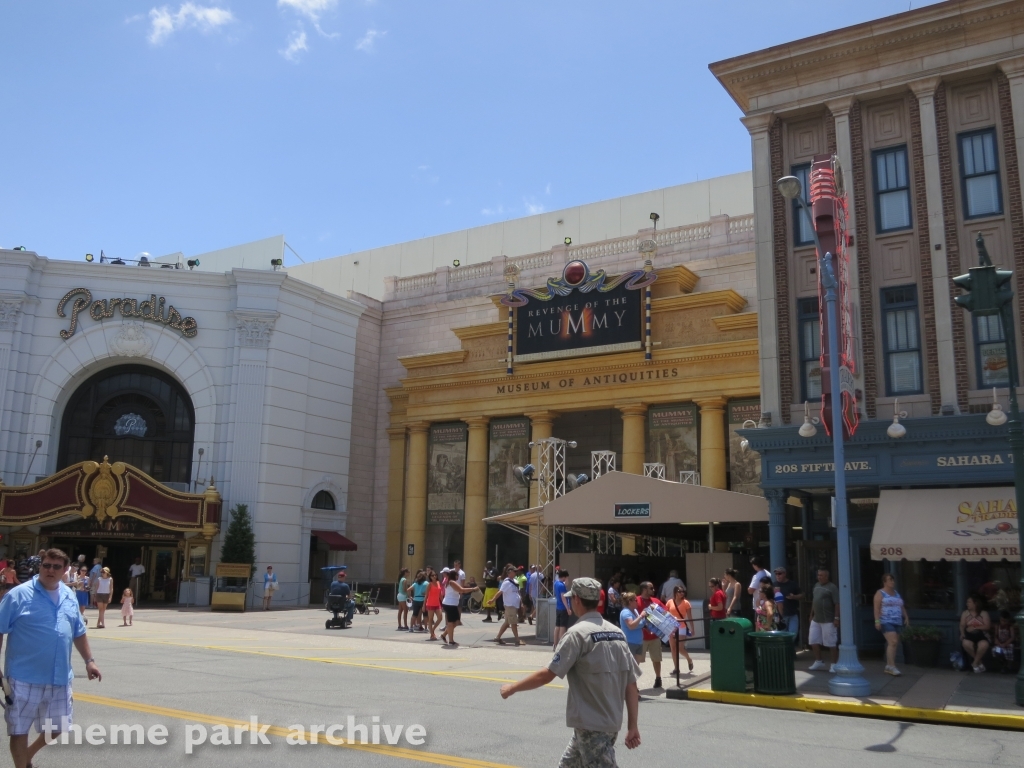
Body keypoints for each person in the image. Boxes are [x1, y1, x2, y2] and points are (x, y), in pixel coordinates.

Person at [500, 577, 641, 767]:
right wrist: (633, 725)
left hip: (591, 725)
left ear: (576, 600)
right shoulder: (617, 633)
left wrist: (513, 688)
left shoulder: (577, 634)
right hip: (608, 723)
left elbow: (547, 674)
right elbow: (631, 685)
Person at [0, 548, 102, 768]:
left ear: (65, 570)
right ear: (40, 567)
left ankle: (26, 756)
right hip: (23, 676)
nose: (50, 570)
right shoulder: (18, 595)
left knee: (59, 726)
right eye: (46, 565)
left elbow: (78, 631)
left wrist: (89, 661)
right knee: (19, 729)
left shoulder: (69, 595)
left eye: (56, 567)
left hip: (59, 676)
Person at [872, 573, 908, 676]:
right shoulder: (880, 593)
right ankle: (892, 666)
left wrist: (906, 616)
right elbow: (876, 608)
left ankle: (889, 665)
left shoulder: (896, 593)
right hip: (886, 620)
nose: (892, 582)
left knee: (894, 644)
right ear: (885, 582)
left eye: (893, 580)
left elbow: (901, 605)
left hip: (897, 620)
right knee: (893, 641)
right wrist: (877, 621)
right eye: (890, 580)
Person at [808, 568, 840, 672]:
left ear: (827, 576)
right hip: (816, 619)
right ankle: (818, 661)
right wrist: (811, 614)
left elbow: (837, 604)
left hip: (828, 619)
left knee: (831, 643)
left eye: (821, 575)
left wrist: (836, 618)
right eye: (818, 575)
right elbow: (814, 600)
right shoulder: (816, 585)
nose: (819, 577)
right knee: (813, 640)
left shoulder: (832, 587)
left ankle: (834, 664)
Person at [635, 581, 665, 689]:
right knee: (637, 660)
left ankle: (658, 678)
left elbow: (665, 614)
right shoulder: (636, 601)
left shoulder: (656, 601)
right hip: (640, 637)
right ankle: (634, 683)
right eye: (651, 588)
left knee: (656, 659)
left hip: (655, 636)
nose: (653, 590)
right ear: (644, 589)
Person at [440, 568, 476, 646]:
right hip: (450, 604)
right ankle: (451, 641)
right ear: (454, 575)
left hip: (452, 604)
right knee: (451, 623)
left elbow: (460, 589)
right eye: (457, 575)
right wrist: (473, 589)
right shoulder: (451, 582)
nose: (458, 576)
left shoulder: (451, 582)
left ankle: (443, 635)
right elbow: (461, 590)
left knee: (456, 622)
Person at [666, 585, 694, 679]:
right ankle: (676, 668)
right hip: (671, 627)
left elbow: (690, 617)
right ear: (675, 592)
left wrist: (692, 628)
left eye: (683, 591)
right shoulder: (670, 602)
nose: (682, 593)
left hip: (681, 626)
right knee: (673, 648)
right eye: (680, 591)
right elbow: (665, 613)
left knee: (680, 648)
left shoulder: (686, 603)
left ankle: (689, 659)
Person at [960, 594, 991, 673]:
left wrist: (975, 627)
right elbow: (962, 625)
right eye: (967, 602)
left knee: (983, 645)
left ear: (975, 603)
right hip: (969, 635)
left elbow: (987, 626)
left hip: (981, 635)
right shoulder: (965, 613)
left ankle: (974, 663)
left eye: (969, 602)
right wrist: (962, 633)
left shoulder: (983, 613)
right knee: (966, 644)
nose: (967, 604)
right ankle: (979, 662)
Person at [493, 565, 524, 646]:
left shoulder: (515, 581)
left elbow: (518, 593)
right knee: (513, 622)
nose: (516, 572)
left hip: (514, 605)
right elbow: (500, 592)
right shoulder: (506, 582)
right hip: (509, 605)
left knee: (507, 622)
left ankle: (498, 637)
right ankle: (517, 640)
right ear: (509, 572)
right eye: (514, 571)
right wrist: (493, 600)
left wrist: (521, 603)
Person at [773, 566, 803, 640]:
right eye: (776, 574)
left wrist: (794, 597)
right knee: (781, 636)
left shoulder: (792, 584)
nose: (777, 576)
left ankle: (790, 650)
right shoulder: (774, 585)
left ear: (784, 574)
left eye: (779, 574)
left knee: (793, 635)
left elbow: (802, 595)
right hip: (780, 615)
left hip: (792, 614)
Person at [618, 592, 644, 661]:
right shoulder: (626, 612)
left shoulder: (635, 611)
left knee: (636, 667)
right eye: (635, 600)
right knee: (630, 666)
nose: (637, 601)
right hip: (630, 642)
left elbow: (639, 624)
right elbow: (631, 626)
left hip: (638, 642)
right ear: (630, 602)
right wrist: (641, 616)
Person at [553, 569, 573, 647]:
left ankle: (555, 644)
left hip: (558, 607)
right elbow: (563, 597)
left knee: (557, 626)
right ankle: (561, 644)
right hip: (563, 608)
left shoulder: (556, 583)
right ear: (564, 577)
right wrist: (568, 608)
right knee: (562, 627)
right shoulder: (562, 585)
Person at [424, 569, 443, 639]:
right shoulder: (430, 584)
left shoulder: (438, 583)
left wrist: (443, 602)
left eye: (435, 575)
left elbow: (440, 594)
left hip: (437, 604)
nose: (434, 576)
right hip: (430, 603)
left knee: (440, 618)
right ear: (430, 577)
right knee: (431, 619)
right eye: (432, 575)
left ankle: (432, 630)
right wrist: (424, 605)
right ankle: (432, 634)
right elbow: (426, 595)